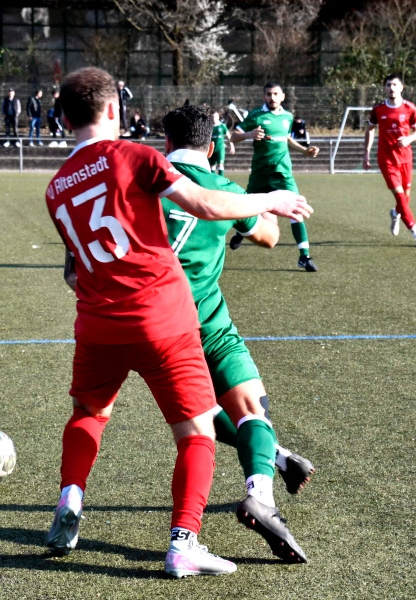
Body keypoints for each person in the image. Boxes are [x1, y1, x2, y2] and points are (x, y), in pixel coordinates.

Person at [43, 66, 312, 578]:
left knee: (88, 414)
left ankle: (70, 501)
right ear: (114, 109)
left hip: (98, 324)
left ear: (64, 118)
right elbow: (204, 203)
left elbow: (74, 273)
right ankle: (183, 544)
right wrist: (269, 200)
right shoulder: (136, 157)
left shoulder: (56, 189)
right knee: (196, 433)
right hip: (164, 318)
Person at [159, 104, 314, 564]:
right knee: (251, 410)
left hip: (155, 326)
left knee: (200, 414)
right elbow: (269, 236)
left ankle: (278, 457)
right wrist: (264, 200)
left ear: (166, 143)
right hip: (208, 323)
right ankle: (259, 494)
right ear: (211, 147)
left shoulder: (144, 185)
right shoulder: (223, 190)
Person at [231, 82, 321, 272]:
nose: (272, 97)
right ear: (263, 96)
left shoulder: (288, 116)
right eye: (268, 94)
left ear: (282, 96)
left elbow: (287, 138)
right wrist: (249, 134)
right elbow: (234, 136)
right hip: (260, 173)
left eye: (275, 94)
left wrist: (305, 151)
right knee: (248, 208)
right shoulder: (256, 115)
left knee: (296, 210)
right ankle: (241, 232)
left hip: (283, 173)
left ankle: (304, 256)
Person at [363, 74, 416, 247]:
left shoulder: (409, 108)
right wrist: (366, 153)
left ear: (401, 87)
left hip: (405, 158)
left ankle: (395, 213)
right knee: (400, 197)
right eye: (388, 85)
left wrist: (408, 139)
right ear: (384, 88)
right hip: (387, 160)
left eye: (394, 85)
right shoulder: (378, 109)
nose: (391, 88)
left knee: (405, 198)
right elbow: (370, 129)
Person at [208, 111, 233, 175]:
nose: (214, 118)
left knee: (220, 164)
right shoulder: (209, 127)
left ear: (218, 117)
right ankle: (213, 179)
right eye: (212, 117)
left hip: (220, 148)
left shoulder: (222, 126)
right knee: (212, 166)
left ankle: (221, 178)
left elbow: (229, 136)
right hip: (212, 149)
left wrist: (232, 146)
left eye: (215, 116)